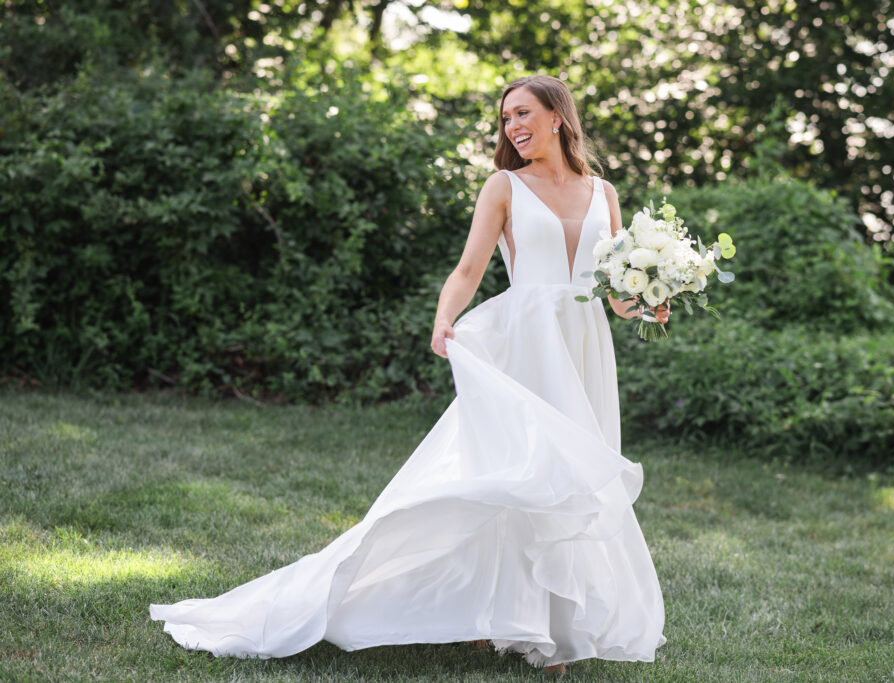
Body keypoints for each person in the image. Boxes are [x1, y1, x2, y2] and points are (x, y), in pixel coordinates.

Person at [150, 74, 667, 675]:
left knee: (572, 476)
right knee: (525, 472)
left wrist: (652, 298)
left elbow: (614, 290)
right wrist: (444, 321)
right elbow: (469, 267)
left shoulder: (603, 192)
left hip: (584, 347)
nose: (513, 128)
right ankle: (514, 623)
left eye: (523, 113)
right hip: (526, 345)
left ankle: (547, 624)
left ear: (558, 115)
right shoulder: (503, 186)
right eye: (505, 120)